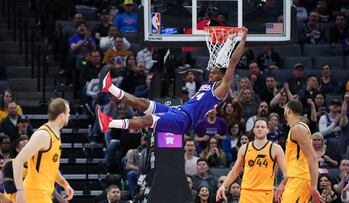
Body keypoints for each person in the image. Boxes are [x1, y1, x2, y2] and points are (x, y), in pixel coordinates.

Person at [96, 29, 248, 134]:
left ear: (221, 77)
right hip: (178, 111)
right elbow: (222, 58)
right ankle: (109, 87)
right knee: (141, 102)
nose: (210, 75)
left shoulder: (220, 90)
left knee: (147, 120)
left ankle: (108, 123)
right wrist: (228, 40)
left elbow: (232, 62)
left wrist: (242, 39)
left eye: (214, 73)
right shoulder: (209, 84)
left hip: (183, 120)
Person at [12, 98, 74, 203]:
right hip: (34, 193)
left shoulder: (56, 134)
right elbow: (18, 161)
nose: (69, 115)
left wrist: (64, 183)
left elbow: (50, 168)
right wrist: (20, 191)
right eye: (68, 112)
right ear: (61, 116)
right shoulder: (43, 135)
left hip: (44, 193)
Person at [216, 118, 287, 203]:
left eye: (262, 127)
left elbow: (286, 173)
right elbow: (235, 171)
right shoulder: (244, 148)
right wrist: (223, 186)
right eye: (257, 127)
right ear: (253, 130)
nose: (260, 129)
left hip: (265, 193)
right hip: (247, 193)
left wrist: (282, 184)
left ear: (267, 130)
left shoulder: (276, 148)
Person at [280, 100, 324, 203]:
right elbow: (296, 161)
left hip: (299, 180)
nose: (284, 112)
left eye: (285, 109)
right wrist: (284, 182)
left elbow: (312, 157)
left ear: (289, 111)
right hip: (294, 178)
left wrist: (314, 187)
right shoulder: (295, 129)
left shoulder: (298, 128)